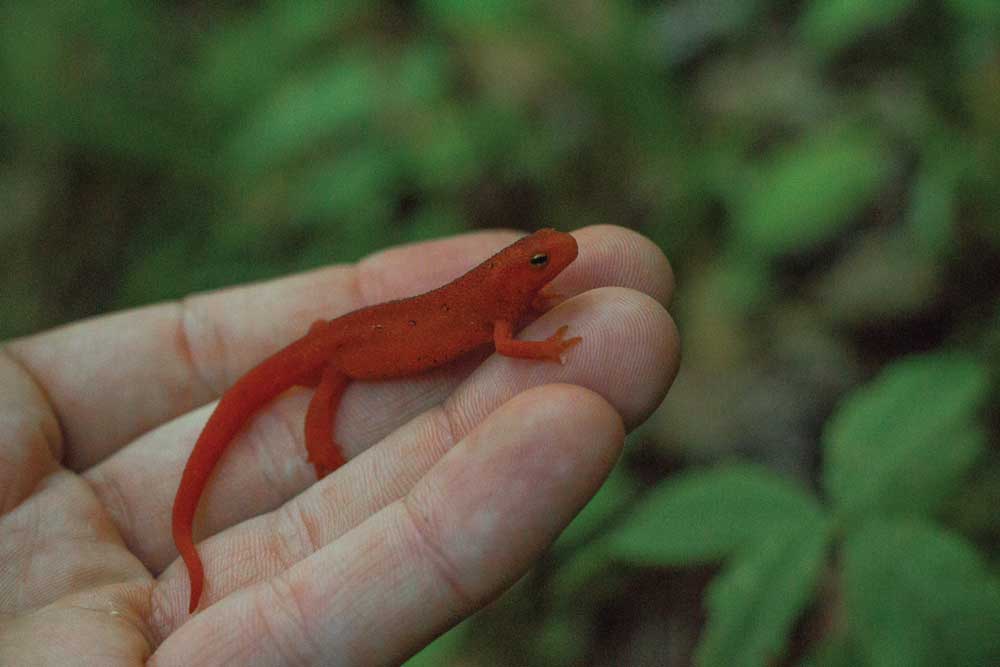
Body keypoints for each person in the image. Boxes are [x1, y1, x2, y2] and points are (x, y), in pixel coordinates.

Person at [0, 225, 678, 665]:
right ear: (514, 271)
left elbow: (507, 313)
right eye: (539, 258)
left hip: (342, 342)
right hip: (341, 353)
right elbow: (504, 345)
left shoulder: (503, 291)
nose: (553, 260)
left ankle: (299, 448)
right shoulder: (499, 308)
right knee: (314, 379)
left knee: (330, 362)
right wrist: (552, 345)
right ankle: (309, 451)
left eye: (544, 259)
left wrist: (537, 299)